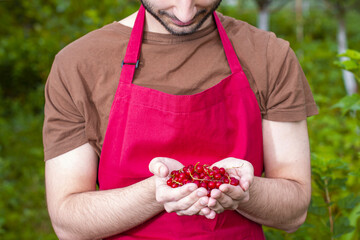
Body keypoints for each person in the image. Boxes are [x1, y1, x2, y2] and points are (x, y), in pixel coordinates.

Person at [43, 0, 318, 239]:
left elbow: (294, 212)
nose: (185, 12)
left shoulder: (269, 56)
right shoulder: (79, 64)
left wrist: (247, 191)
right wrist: (156, 193)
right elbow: (68, 222)